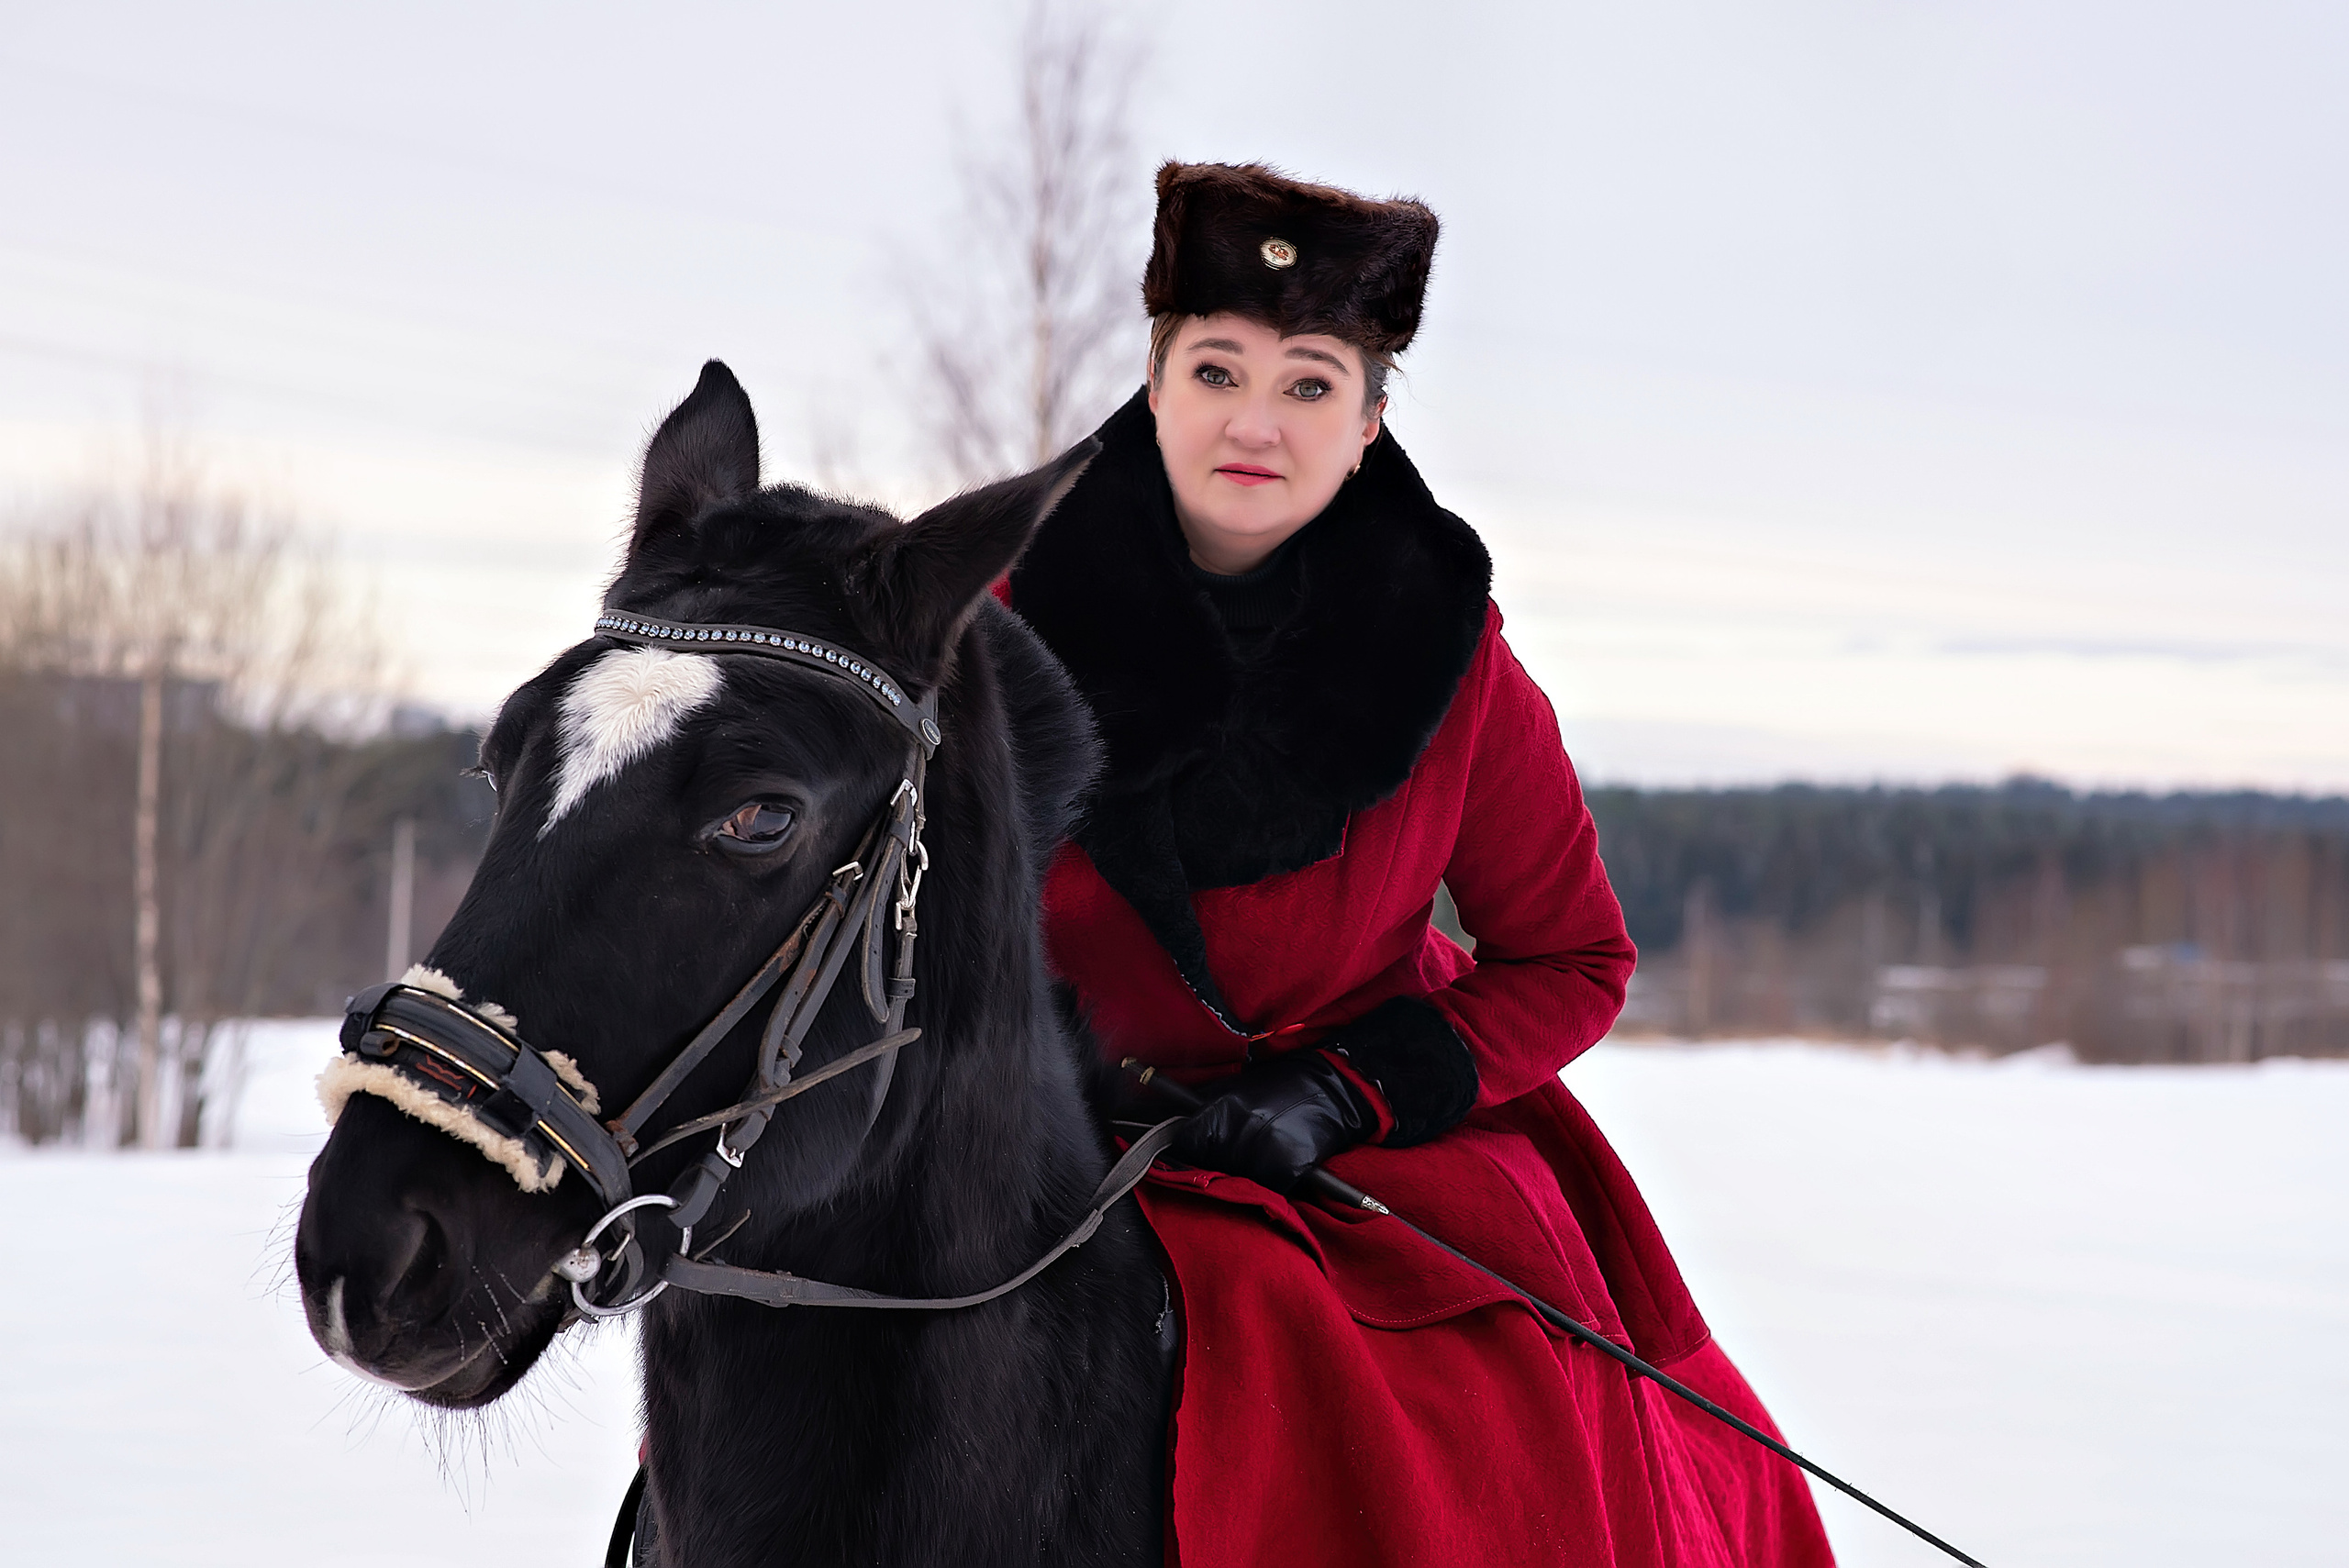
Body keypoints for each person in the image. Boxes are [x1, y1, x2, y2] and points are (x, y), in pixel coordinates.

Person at [1005, 162, 1835, 1568]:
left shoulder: (1450, 657)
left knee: (1506, 1422)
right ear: (1156, 384)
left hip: (1347, 1148)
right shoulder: (998, 623)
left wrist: (1348, 1087)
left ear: (1372, 418)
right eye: (1218, 368)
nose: (1256, 421)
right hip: (1036, 1134)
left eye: (1313, 383)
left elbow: (1576, 958)